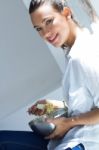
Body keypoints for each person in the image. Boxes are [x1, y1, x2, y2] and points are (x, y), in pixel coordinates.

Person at [27, 0, 99, 150]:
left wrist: (67, 123)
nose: (45, 33)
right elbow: (86, 104)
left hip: (84, 143)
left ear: (66, 13)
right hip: (70, 139)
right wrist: (55, 107)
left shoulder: (84, 56)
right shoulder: (72, 53)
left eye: (49, 21)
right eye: (38, 28)